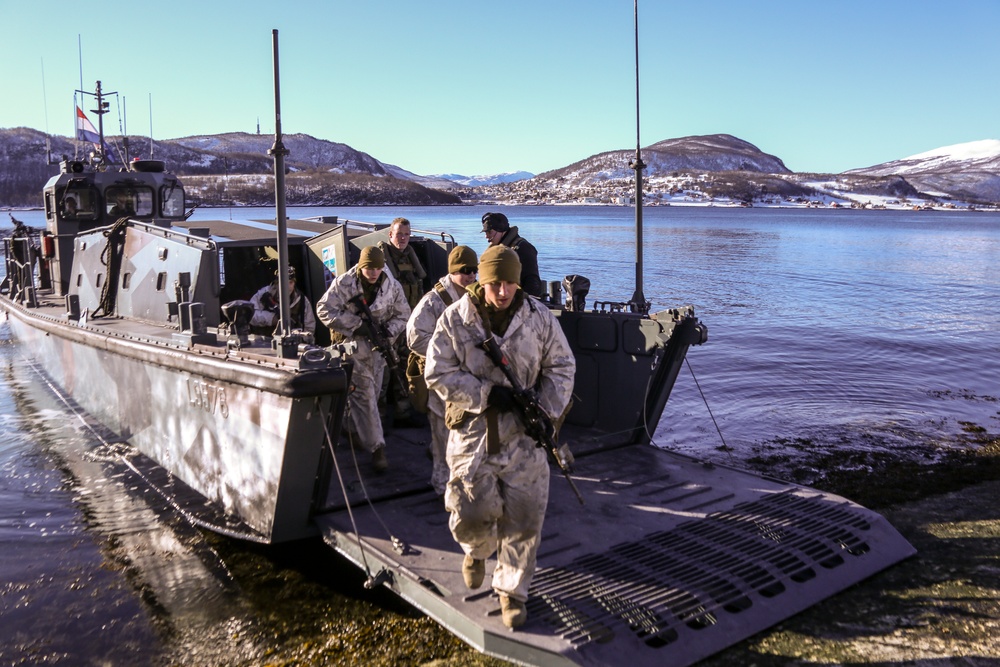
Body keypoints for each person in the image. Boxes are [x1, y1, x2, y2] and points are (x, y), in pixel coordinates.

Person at [425, 245, 575, 629]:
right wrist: (487, 394)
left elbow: (561, 366)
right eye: (495, 283)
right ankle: (476, 550)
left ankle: (512, 591)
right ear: (483, 280)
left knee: (525, 519)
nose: (503, 291)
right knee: (471, 511)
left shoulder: (539, 318)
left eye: (510, 282)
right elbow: (437, 373)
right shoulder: (456, 319)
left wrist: (544, 410)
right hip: (474, 434)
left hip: (525, 436)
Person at [316, 246, 410, 473]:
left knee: (371, 395)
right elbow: (324, 309)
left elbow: (403, 314)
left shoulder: (391, 285)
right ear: (360, 266)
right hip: (352, 348)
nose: (374, 273)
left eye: (377, 268)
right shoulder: (344, 283)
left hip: (379, 350)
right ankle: (378, 449)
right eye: (369, 268)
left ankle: (350, 430)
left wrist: (388, 331)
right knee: (365, 396)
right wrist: (357, 325)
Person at [405, 245, 478, 496]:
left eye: (475, 271)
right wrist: (447, 355)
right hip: (442, 378)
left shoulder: (474, 296)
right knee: (443, 432)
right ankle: (441, 485)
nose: (471, 276)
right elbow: (415, 338)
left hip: (468, 378)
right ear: (453, 271)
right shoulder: (434, 301)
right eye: (466, 271)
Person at [480, 211, 543, 298]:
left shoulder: (523, 248)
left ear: (501, 230)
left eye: (489, 232)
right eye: (485, 233)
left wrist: (523, 304)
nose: (486, 236)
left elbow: (532, 284)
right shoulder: (498, 250)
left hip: (519, 301)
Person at [248, 266, 316, 337]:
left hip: (292, 342)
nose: (288, 286)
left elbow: (309, 327)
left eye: (291, 282)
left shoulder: (302, 300)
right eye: (283, 282)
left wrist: (301, 338)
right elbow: (250, 315)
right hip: (264, 342)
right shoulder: (263, 294)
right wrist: (272, 319)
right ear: (276, 283)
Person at [378, 217, 427, 309]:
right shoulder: (381, 258)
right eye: (399, 234)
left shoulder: (413, 256)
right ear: (390, 234)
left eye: (406, 234)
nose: (403, 238)